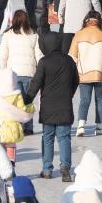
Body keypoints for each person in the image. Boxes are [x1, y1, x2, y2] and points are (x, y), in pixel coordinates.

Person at [25, 32, 79, 182]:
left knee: (47, 138)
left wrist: (27, 99)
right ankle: (65, 167)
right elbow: (76, 80)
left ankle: (47, 169)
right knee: (64, 137)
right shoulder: (69, 60)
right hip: (65, 106)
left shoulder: (44, 62)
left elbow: (36, 83)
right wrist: (69, 94)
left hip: (48, 107)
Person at [68, 10, 102, 138]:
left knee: (84, 100)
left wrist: (72, 73)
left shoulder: (79, 34)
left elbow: (72, 56)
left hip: (83, 74)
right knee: (100, 100)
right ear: (99, 20)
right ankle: (100, 127)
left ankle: (80, 126)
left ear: (86, 20)